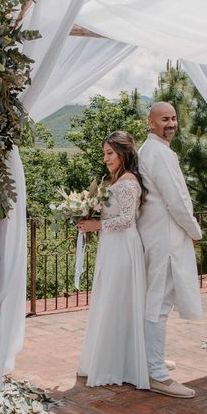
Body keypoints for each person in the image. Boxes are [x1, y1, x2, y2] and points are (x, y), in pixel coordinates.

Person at [137, 102, 202, 398]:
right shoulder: (158, 153)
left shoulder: (153, 151)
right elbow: (175, 199)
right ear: (151, 122)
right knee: (158, 304)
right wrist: (194, 230)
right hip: (164, 238)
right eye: (165, 119)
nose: (171, 123)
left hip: (157, 235)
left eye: (174, 118)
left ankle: (153, 360)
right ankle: (156, 374)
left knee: (156, 302)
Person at [76, 131, 149, 389]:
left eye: (110, 153)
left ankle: (116, 364)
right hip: (112, 245)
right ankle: (108, 358)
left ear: (123, 153)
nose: (106, 158)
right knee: (109, 299)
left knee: (118, 301)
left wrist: (97, 224)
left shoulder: (129, 182)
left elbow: (128, 219)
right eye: (104, 153)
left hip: (123, 247)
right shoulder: (116, 180)